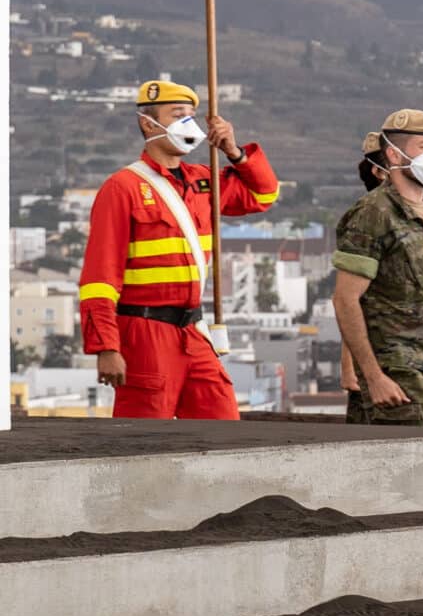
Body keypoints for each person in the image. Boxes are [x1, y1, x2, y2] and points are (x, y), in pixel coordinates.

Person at [79, 79, 280, 419]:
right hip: (144, 333)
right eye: (177, 114)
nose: (189, 122)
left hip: (193, 330)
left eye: (192, 114)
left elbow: (263, 195)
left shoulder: (203, 180)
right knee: (145, 440)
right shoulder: (122, 187)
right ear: (148, 123)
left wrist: (235, 152)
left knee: (222, 423)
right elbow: (99, 278)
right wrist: (106, 347)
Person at [333, 110, 423, 427]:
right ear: (393, 153)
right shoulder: (374, 212)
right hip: (394, 372)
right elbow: (346, 300)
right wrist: (372, 376)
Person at [340, 129, 384, 418]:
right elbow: (348, 298)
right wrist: (348, 365)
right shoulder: (367, 218)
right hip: (374, 358)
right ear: (379, 171)